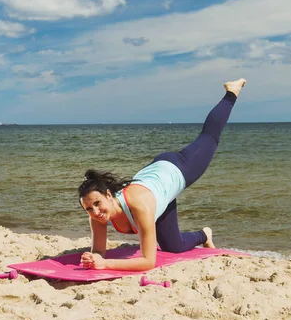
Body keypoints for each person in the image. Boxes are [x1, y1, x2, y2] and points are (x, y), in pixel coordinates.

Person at [78, 78, 246, 271]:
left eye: (97, 203)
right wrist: (93, 258)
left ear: (108, 195)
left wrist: (106, 264)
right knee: (174, 247)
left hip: (177, 168)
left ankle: (231, 94)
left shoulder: (138, 206)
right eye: (89, 209)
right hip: (159, 189)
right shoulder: (97, 216)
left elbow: (149, 262)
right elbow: (99, 252)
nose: (95, 212)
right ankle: (204, 235)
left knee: (209, 137)